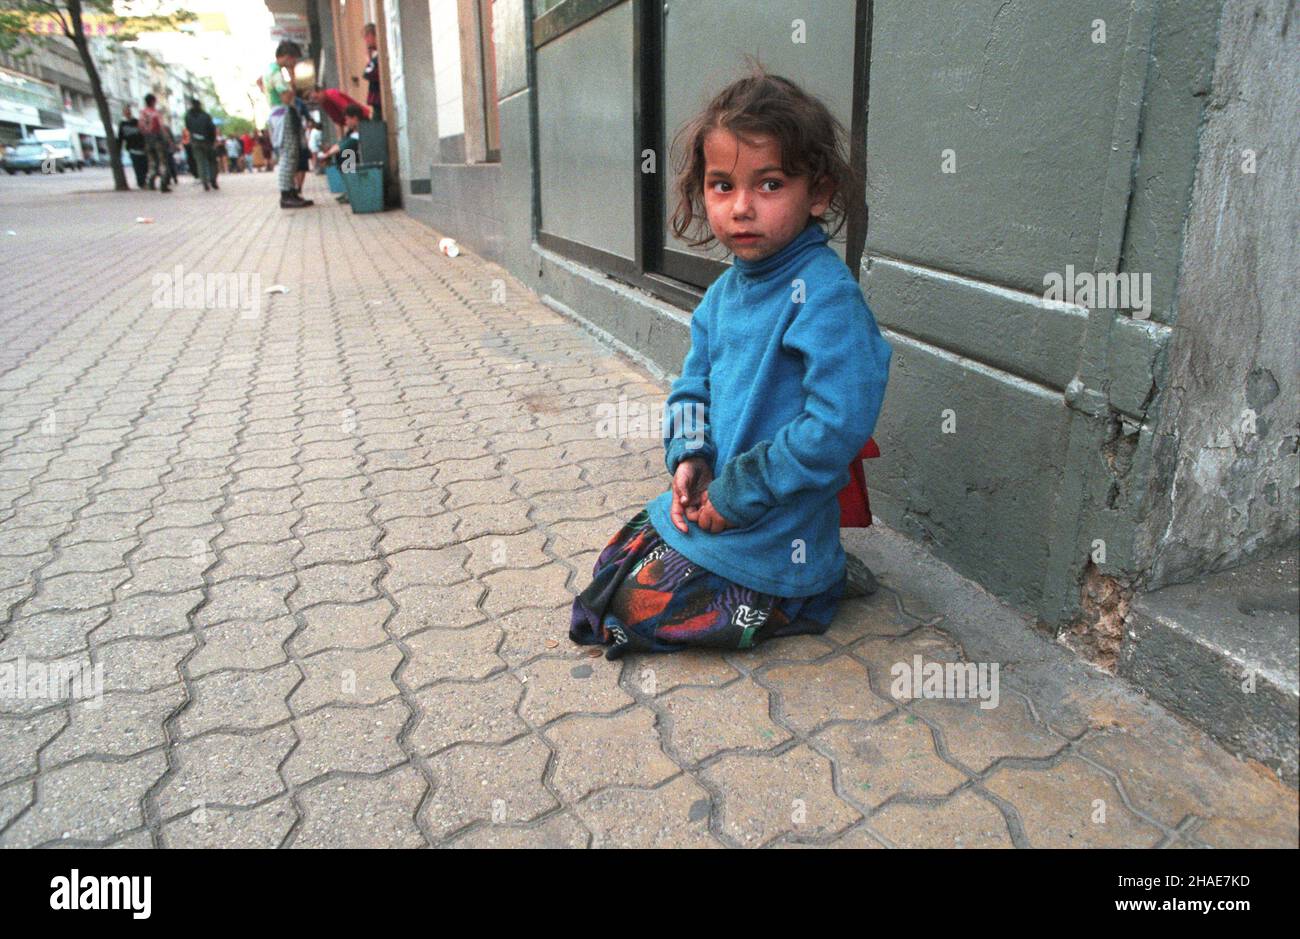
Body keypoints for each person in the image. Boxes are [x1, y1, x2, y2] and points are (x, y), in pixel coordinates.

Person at [568, 67, 892, 659]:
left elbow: (837, 424)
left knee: (627, 615)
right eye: (723, 186)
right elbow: (693, 389)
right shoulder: (722, 296)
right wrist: (689, 458)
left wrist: (740, 491)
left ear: (817, 193)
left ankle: (813, 587)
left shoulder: (825, 294)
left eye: (769, 185)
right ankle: (808, 575)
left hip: (769, 523)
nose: (741, 208)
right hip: (718, 505)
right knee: (611, 573)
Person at [262, 40, 312, 208]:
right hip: (283, 114)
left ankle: (290, 192)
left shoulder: (269, 70)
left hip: (277, 114)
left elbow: (259, 83)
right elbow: (286, 97)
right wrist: (292, 82)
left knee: (290, 153)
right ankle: (286, 194)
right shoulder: (276, 72)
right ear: (287, 57)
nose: (294, 63)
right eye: (294, 60)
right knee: (289, 154)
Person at [314, 103, 364, 203]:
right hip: (356, 159)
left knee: (346, 153)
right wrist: (327, 154)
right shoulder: (351, 132)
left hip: (362, 160)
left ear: (354, 118)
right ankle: (349, 189)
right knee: (342, 153)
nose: (346, 122)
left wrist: (326, 155)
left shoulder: (362, 130)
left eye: (347, 119)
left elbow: (344, 145)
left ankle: (352, 190)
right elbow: (341, 144)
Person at [139, 94, 170, 192]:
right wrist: (167, 139)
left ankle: (151, 182)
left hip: (147, 140)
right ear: (153, 101)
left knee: (152, 162)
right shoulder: (155, 113)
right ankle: (164, 183)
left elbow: (140, 128)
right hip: (157, 140)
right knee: (162, 162)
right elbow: (161, 127)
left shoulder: (142, 113)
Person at [184, 98, 217, 191]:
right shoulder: (205, 116)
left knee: (200, 162)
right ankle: (213, 179)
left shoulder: (188, 116)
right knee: (212, 161)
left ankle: (205, 181)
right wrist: (212, 141)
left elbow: (188, 127)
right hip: (207, 141)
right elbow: (211, 128)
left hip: (195, 141)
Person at [117, 105, 147, 188]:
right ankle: (141, 183)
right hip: (132, 149)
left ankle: (144, 180)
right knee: (137, 166)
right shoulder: (122, 124)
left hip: (142, 148)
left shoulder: (137, 122)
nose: (127, 113)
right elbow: (120, 138)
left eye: (128, 111)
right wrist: (118, 150)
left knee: (144, 165)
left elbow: (143, 134)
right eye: (125, 111)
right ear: (123, 113)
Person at [362, 23, 382, 120]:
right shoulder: (377, 57)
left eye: (366, 37)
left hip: (379, 99)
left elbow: (369, 73)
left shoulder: (379, 58)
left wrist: (368, 60)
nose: (365, 41)